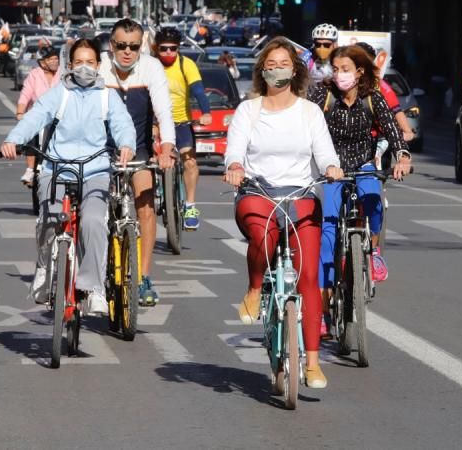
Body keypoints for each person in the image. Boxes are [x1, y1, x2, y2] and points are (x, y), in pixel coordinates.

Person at [224, 37, 342, 389]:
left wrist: (332, 167)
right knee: (262, 233)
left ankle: (314, 363)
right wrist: (234, 165)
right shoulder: (250, 109)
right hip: (257, 192)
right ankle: (255, 287)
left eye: (283, 63)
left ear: (295, 69)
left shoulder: (309, 111)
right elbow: (236, 147)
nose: (277, 68)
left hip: (301, 196)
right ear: (262, 70)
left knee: (308, 280)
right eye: (270, 63)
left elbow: (324, 152)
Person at [1, 39, 137, 314]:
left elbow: (123, 123)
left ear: (99, 66)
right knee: (49, 219)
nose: (84, 67)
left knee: (94, 221)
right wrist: (13, 140)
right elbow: (35, 117)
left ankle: (94, 288)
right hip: (57, 167)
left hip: (95, 169)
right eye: (78, 62)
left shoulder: (107, 97)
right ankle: (43, 269)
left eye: (90, 62)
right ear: (70, 65)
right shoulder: (58, 94)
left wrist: (126, 145)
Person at [308, 45, 412, 308]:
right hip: (332, 170)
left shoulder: (372, 98)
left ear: (359, 71)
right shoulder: (323, 95)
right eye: (336, 69)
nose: (339, 75)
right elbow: (304, 124)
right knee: (328, 232)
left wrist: (403, 156)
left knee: (374, 201)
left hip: (364, 164)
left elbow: (392, 130)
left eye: (345, 69)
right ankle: (322, 303)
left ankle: (373, 251)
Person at [99, 19, 177, 307]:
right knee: (94, 208)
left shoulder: (152, 67)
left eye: (134, 46)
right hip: (102, 149)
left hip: (140, 149)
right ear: (111, 45)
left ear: (141, 45)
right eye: (121, 46)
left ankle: (143, 277)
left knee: (145, 204)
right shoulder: (100, 66)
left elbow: (164, 111)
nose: (127, 52)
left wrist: (167, 149)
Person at [154, 28, 213, 230]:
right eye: (164, 49)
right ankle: (157, 190)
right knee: (150, 162)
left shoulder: (185, 64)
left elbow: (197, 89)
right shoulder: (150, 66)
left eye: (173, 49)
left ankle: (190, 205)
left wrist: (206, 112)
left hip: (180, 122)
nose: (169, 53)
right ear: (156, 48)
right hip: (155, 123)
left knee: (189, 162)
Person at [16, 45, 62, 186]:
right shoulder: (34, 74)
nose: (55, 62)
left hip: (59, 116)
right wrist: (20, 112)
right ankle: (30, 169)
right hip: (38, 115)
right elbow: (25, 95)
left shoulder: (63, 74)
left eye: (56, 59)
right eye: (51, 59)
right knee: (31, 135)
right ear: (43, 62)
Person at [356, 42, 415, 143]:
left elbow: (396, 110)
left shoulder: (380, 85)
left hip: (375, 142)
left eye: (365, 62)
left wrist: (407, 131)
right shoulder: (339, 83)